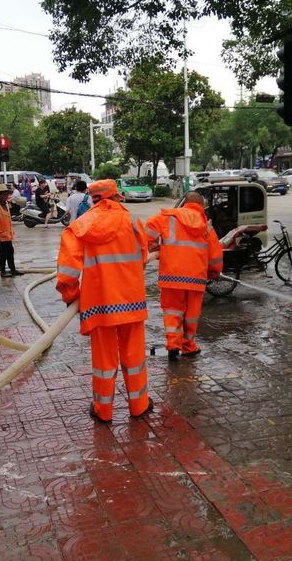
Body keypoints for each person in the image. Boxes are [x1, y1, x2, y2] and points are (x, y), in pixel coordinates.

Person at [56, 179, 152, 423]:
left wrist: (71, 296)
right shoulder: (132, 221)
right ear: (116, 196)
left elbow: (67, 272)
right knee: (134, 356)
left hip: (100, 305)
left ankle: (103, 410)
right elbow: (142, 257)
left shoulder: (81, 225)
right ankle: (139, 405)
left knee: (104, 361)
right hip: (131, 302)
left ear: (93, 198)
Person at [145, 191, 223, 361]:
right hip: (196, 278)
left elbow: (148, 229)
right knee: (191, 314)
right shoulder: (206, 225)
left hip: (171, 277)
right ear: (201, 206)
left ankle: (173, 345)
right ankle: (188, 346)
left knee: (172, 312)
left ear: (185, 203)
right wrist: (214, 271)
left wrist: (154, 248)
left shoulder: (168, 217)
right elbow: (215, 254)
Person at [0, 184, 24, 278]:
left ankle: (13, 270)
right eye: (5, 194)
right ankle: (3, 271)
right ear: (0, 195)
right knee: (2, 254)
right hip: (0, 235)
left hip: (7, 235)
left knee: (10, 252)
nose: (7, 196)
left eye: (7, 194)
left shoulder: (5, 204)